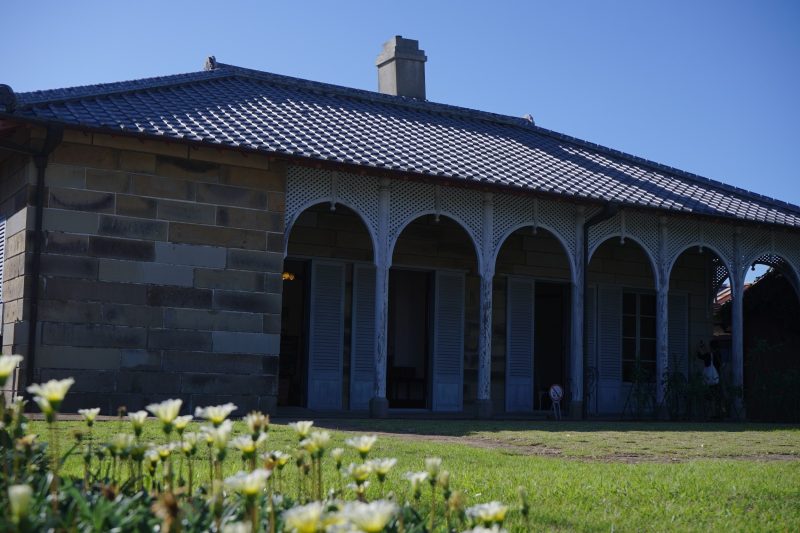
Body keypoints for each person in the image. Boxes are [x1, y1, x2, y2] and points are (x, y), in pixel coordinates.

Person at [696, 340, 722, 418]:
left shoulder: (708, 355)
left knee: (708, 398)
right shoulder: (719, 355)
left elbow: (700, 356)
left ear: (711, 347)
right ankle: (716, 414)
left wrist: (699, 347)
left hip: (709, 380)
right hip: (716, 379)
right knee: (716, 397)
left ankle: (709, 415)